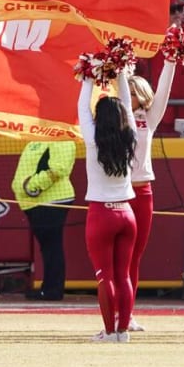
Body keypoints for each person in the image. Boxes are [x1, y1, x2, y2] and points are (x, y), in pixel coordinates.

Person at [78, 65, 138, 342]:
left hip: (101, 214)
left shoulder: (93, 140)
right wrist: (122, 73)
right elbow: (126, 102)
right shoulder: (131, 137)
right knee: (124, 276)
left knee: (106, 277)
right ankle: (123, 331)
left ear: (98, 119)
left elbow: (81, 105)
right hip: (127, 213)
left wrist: (89, 76)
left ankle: (109, 331)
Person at [126, 59, 176, 323]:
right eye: (127, 91)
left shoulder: (149, 118)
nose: (130, 96)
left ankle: (128, 314)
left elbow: (164, 91)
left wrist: (171, 61)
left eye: (135, 92)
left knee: (134, 258)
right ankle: (115, 313)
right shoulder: (115, 115)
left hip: (143, 192)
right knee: (119, 259)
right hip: (119, 194)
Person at [12, 138, 75, 302]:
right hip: (35, 202)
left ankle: (52, 290)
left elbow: (59, 168)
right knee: (49, 248)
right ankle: (49, 288)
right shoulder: (36, 138)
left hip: (52, 200)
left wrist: (32, 185)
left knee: (52, 247)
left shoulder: (62, 137)